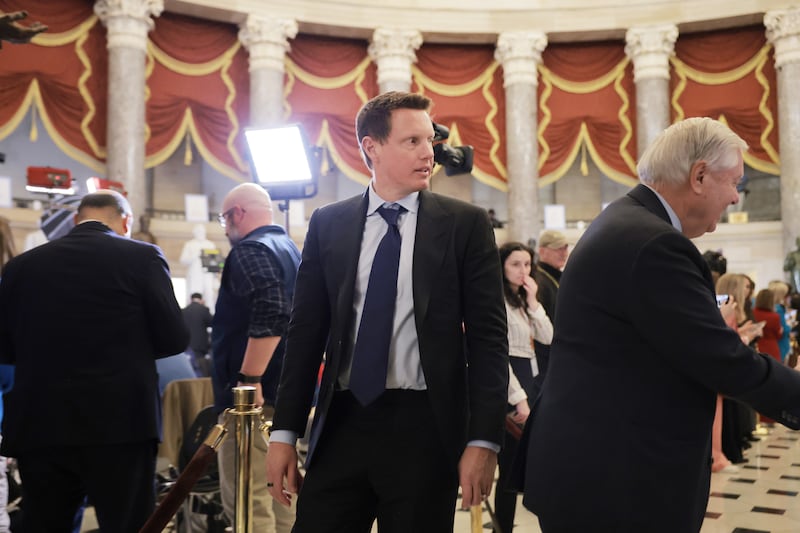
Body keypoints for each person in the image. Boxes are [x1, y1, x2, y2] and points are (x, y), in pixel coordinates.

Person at [520, 117, 800, 533]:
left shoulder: (624, 222)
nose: (735, 197)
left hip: (596, 471)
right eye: (734, 182)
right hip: (619, 485)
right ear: (699, 176)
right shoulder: (655, 243)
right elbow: (721, 360)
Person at [265, 91, 509, 532]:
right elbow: (305, 334)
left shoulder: (465, 225)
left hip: (425, 429)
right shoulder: (329, 223)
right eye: (412, 141)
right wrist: (284, 433)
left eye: (430, 140)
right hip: (342, 422)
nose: (428, 152)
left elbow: (488, 340)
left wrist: (483, 439)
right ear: (371, 147)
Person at [0, 190, 188, 532]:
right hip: (121, 424)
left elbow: (5, 348)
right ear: (126, 221)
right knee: (129, 525)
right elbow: (175, 338)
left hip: (41, 423)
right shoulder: (143, 257)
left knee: (45, 525)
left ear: (76, 220)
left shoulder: (21, 266)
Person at [211, 182, 301, 532]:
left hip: (253, 402)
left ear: (237, 214)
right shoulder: (290, 249)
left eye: (224, 219)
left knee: (249, 502)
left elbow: (273, 309)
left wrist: (250, 379)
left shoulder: (250, 249)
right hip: (287, 392)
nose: (225, 228)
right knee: (283, 496)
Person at [494, 242, 552, 532]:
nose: (523, 271)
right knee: (509, 469)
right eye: (515, 264)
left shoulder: (522, 302)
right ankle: (503, 527)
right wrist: (519, 400)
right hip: (510, 388)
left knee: (527, 464)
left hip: (531, 383)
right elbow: (498, 357)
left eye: (527, 264)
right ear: (502, 266)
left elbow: (549, 337)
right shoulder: (498, 301)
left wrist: (533, 301)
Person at [531, 229, 567, 380]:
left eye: (565, 248)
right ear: (542, 251)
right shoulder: (538, 280)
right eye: (557, 249)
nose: (563, 253)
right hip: (546, 356)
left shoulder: (559, 277)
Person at [182, 292, 213, 376]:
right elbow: (213, 323)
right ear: (201, 300)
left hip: (187, 348)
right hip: (200, 348)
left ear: (190, 300)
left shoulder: (184, 311)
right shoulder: (204, 310)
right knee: (201, 372)